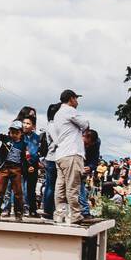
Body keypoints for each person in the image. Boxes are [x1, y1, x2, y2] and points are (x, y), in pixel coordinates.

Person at [50, 90, 89, 225]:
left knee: (60, 187)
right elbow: (85, 124)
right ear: (71, 99)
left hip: (60, 154)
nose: (77, 102)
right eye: (76, 99)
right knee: (73, 186)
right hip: (72, 152)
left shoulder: (57, 114)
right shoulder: (70, 110)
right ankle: (75, 215)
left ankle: (60, 214)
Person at [0, 124, 29, 221]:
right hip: (4, 168)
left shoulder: (23, 145)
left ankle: (18, 213)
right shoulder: (6, 139)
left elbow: (24, 158)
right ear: (9, 132)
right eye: (12, 132)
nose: (13, 135)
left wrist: (28, 167)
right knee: (0, 191)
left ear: (21, 133)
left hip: (16, 169)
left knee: (18, 192)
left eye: (16, 133)